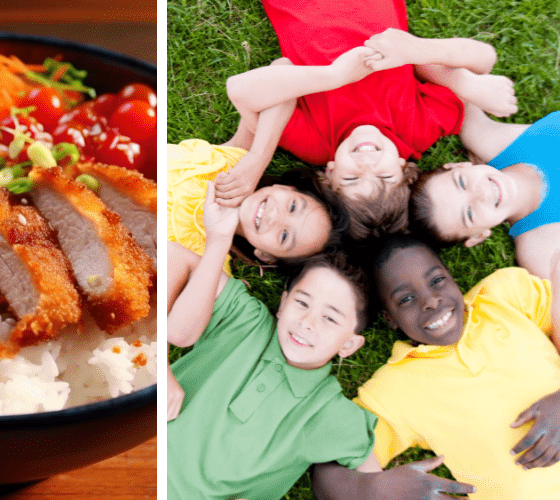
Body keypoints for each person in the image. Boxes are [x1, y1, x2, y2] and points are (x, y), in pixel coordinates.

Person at [219, 0, 517, 240]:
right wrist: (464, 83)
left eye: (351, 179)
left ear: (329, 175)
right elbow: (484, 57)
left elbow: (252, 86)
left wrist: (333, 76)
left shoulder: (319, 146)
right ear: (403, 169)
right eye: (384, 177)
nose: (366, 164)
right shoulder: (415, 132)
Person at [166, 184, 376, 500]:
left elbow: (376, 481)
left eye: (330, 318)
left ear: (349, 345)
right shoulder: (246, 321)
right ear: (282, 303)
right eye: (302, 303)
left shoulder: (326, 411)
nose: (307, 322)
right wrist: (161, 371)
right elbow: (173, 257)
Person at [313, 236, 560, 499]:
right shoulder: (397, 388)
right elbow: (327, 466)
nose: (430, 300)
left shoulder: (507, 296)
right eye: (406, 298)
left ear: (451, 277)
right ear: (389, 318)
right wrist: (373, 488)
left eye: (437, 281)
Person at [409, 103, 560, 350]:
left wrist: (471, 84)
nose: (481, 193)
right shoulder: (539, 247)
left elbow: (438, 71)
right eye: (469, 213)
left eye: (461, 183)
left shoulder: (488, 138)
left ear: (458, 166)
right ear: (478, 236)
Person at [168, 94, 342, 267]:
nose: (275, 216)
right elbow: (277, 84)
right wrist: (257, 158)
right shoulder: (236, 163)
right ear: (286, 188)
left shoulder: (209, 264)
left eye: (284, 236)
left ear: (266, 256)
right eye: (293, 206)